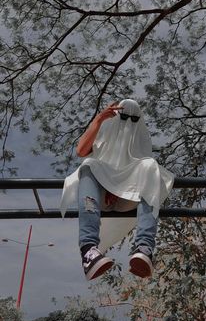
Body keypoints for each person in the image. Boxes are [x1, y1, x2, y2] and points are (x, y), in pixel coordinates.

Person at [60, 99, 174, 280]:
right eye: (124, 117)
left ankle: (144, 247)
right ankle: (89, 251)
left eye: (134, 119)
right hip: (98, 198)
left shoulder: (140, 153)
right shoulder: (102, 139)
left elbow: (144, 176)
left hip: (128, 199)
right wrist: (99, 120)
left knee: (151, 165)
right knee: (89, 164)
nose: (128, 123)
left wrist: (120, 188)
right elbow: (81, 151)